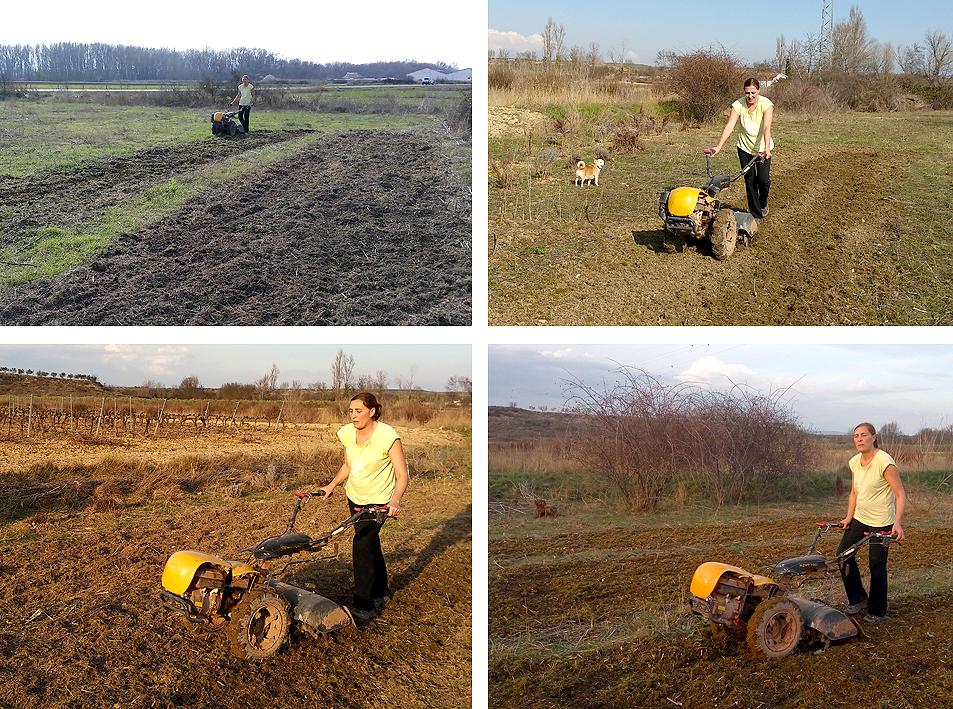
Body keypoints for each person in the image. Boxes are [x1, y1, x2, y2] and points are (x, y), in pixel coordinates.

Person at [317, 392, 409, 621]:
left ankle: (364, 604)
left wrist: (395, 500)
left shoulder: (387, 436)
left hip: (379, 501)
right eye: (351, 411)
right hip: (355, 496)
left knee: (361, 545)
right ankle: (380, 590)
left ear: (373, 411)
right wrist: (331, 485)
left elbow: (402, 474)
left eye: (358, 411)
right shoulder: (348, 434)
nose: (353, 415)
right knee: (369, 543)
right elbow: (348, 465)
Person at [837, 422, 907, 622]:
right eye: (856, 436)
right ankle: (858, 599)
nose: (859, 439)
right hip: (860, 517)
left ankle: (877, 610)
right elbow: (854, 492)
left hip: (881, 520)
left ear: (873, 437)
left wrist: (897, 523)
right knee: (843, 555)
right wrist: (849, 517)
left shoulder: (884, 461)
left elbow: (900, 494)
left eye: (864, 435)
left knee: (876, 564)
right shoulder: (854, 462)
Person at [708, 78, 774, 221]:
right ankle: (756, 215)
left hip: (763, 148)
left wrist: (767, 149)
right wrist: (718, 146)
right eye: (747, 93)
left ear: (759, 91)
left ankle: (763, 201)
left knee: (762, 180)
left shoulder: (766, 104)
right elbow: (730, 126)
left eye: (753, 93)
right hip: (744, 147)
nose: (750, 96)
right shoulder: (738, 105)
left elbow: (767, 127)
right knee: (750, 180)